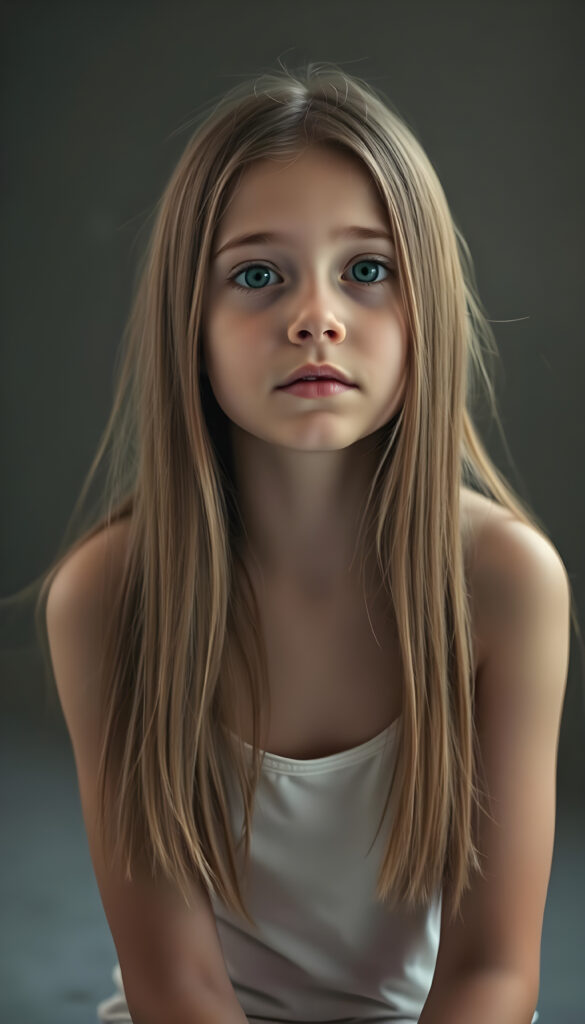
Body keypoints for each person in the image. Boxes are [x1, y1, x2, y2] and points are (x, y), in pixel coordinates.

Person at [39, 61, 575, 1023]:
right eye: (256, 275)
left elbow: (493, 972)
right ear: (187, 325)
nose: (315, 318)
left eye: (366, 271)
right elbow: (176, 986)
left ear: (425, 313)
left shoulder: (505, 582)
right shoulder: (106, 595)